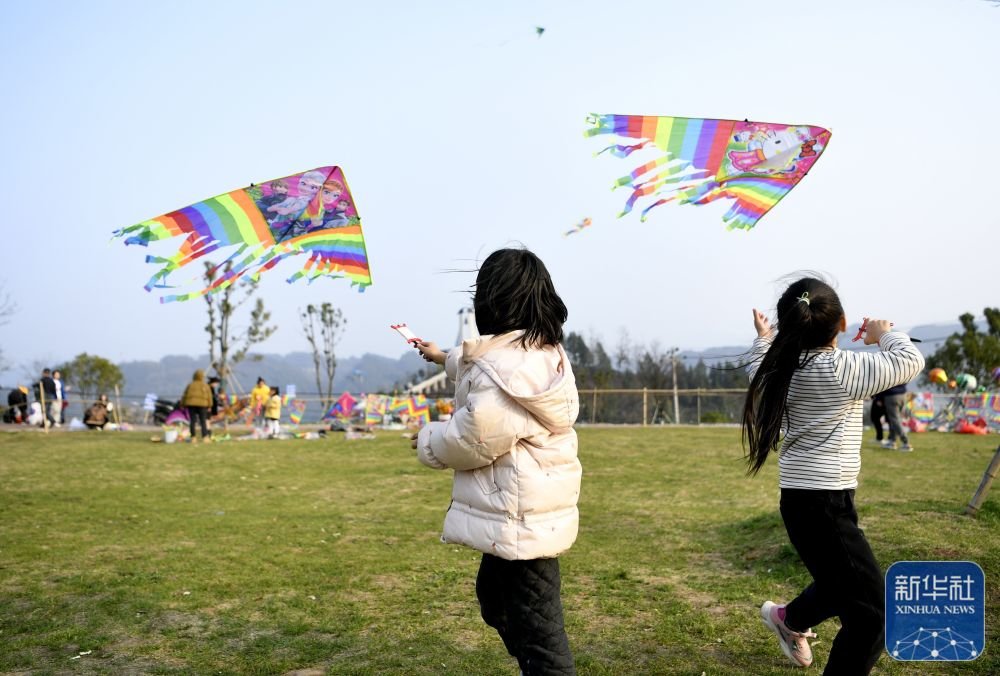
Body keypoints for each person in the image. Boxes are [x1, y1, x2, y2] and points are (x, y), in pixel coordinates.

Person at [411, 247, 581, 675]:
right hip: (520, 515)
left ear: (490, 302)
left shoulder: (502, 370)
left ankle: (535, 665)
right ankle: (530, 660)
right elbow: (485, 361)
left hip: (522, 521)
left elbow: (474, 437)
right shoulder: (540, 352)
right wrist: (441, 355)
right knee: (496, 601)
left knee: (541, 635)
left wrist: (428, 437)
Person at [741, 277, 924, 674]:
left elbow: (758, 361)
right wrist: (885, 334)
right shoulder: (843, 370)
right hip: (826, 504)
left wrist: (763, 337)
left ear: (788, 325)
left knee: (842, 582)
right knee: (873, 615)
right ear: (841, 324)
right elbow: (908, 362)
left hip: (800, 500)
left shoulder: (776, 369)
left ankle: (788, 619)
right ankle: (789, 620)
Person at [180, 369, 213, 442]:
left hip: (191, 405)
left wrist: (182, 404)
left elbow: (184, 395)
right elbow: (209, 396)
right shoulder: (205, 385)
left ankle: (193, 437)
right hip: (203, 405)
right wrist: (210, 406)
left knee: (192, 421)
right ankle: (205, 437)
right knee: (203, 421)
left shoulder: (190, 385)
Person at [878, 383, 912, 451]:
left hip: (892, 396)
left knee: (895, 420)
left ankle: (906, 443)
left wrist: (879, 397)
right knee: (896, 419)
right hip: (903, 395)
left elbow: (882, 383)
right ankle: (892, 441)